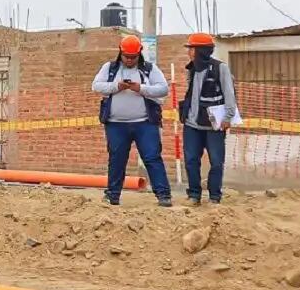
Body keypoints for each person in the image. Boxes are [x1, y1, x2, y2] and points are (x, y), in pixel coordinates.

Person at [91, 34, 172, 207]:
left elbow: (163, 89)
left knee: (152, 157)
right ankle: (112, 195)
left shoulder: (149, 69)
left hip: (145, 123)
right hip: (116, 124)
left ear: (139, 54)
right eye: (126, 57)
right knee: (117, 159)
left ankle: (163, 195)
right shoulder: (110, 68)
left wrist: (140, 88)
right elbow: (96, 85)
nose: (129, 60)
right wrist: (116, 86)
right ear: (120, 53)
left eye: (133, 57)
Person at [179, 31, 240, 205]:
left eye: (192, 49)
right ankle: (194, 195)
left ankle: (214, 197)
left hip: (214, 126)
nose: (189, 52)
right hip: (192, 125)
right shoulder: (191, 69)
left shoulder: (220, 68)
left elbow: (229, 94)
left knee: (216, 162)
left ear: (202, 51)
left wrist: (228, 117)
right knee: (191, 160)